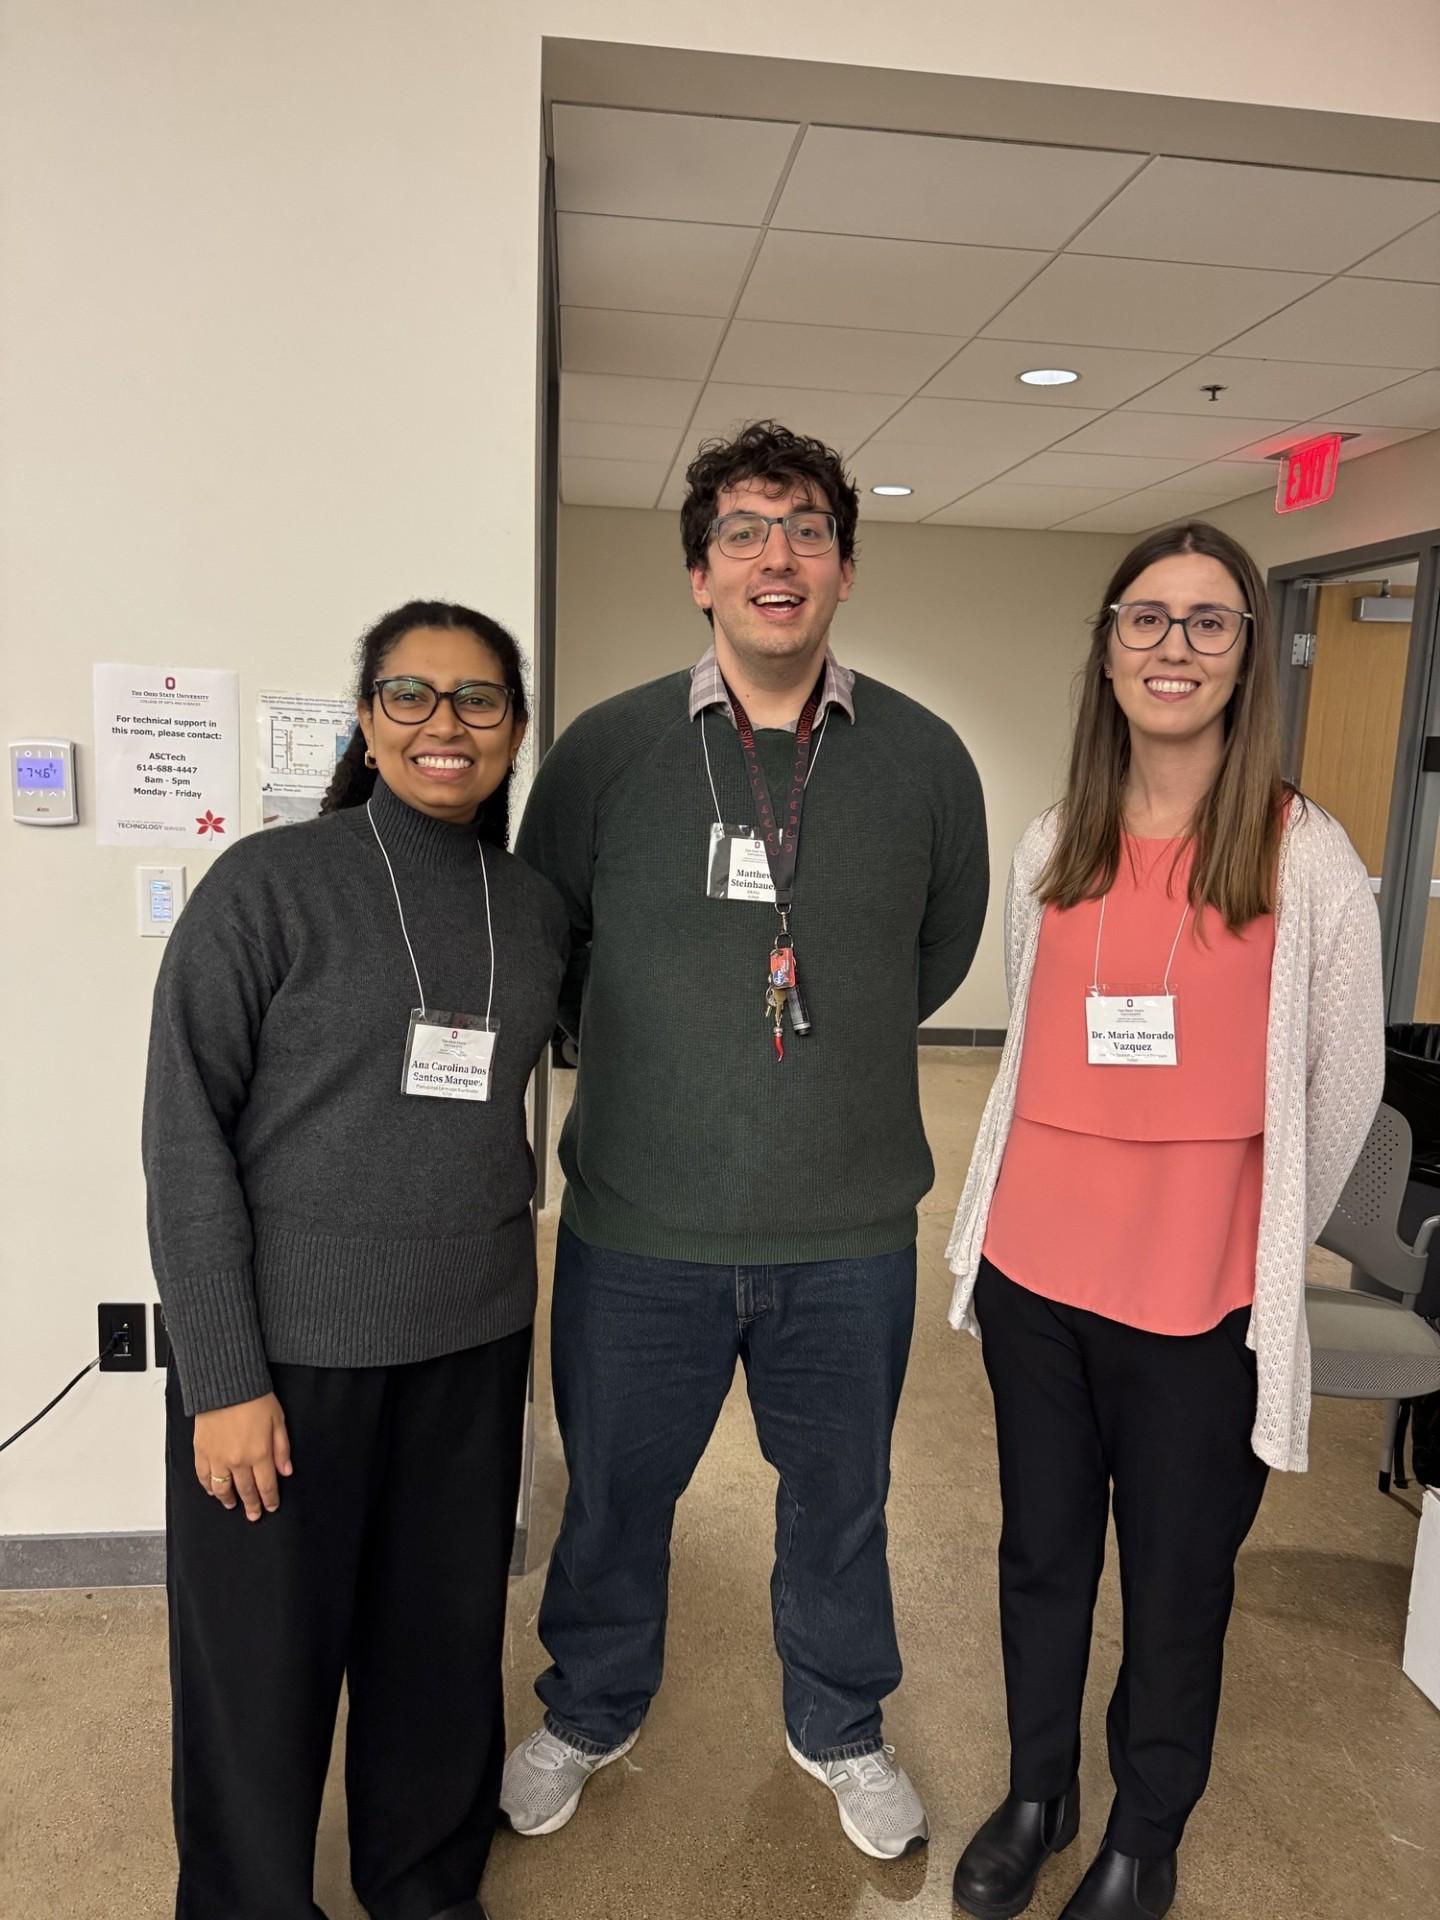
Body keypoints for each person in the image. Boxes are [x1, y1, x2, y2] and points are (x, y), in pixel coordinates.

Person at [502, 421, 989, 1860]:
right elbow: (551, 938)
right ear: (700, 576)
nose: (777, 557)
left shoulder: (922, 758)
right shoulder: (606, 752)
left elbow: (937, 952)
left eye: (806, 530)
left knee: (842, 1504)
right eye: (744, 533)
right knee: (613, 1498)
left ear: (845, 564)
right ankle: (589, 1708)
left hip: (844, 1234)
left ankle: (839, 1723)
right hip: (638, 1225)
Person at [945, 523, 1384, 1920]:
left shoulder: (1304, 855)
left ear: (1249, 654)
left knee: (1180, 1578)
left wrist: (1260, 1237)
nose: (1173, 648)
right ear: (1109, 647)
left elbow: (1345, 1079)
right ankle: (1036, 1791)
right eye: (1147, 619)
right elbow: (1027, 1053)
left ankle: (1146, 1826)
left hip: (1203, 1300)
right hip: (1037, 1272)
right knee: (1041, 1557)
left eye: (1208, 622)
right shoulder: (1052, 840)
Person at [143, 601, 567, 1920]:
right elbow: (185, 1136)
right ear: (367, 722)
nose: (447, 724)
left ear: (514, 726)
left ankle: (427, 1887)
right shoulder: (269, 885)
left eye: (479, 699)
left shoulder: (536, 906)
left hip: (471, 1340)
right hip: (289, 1359)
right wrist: (220, 1377)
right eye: (412, 695)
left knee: (438, 1651)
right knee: (260, 1670)